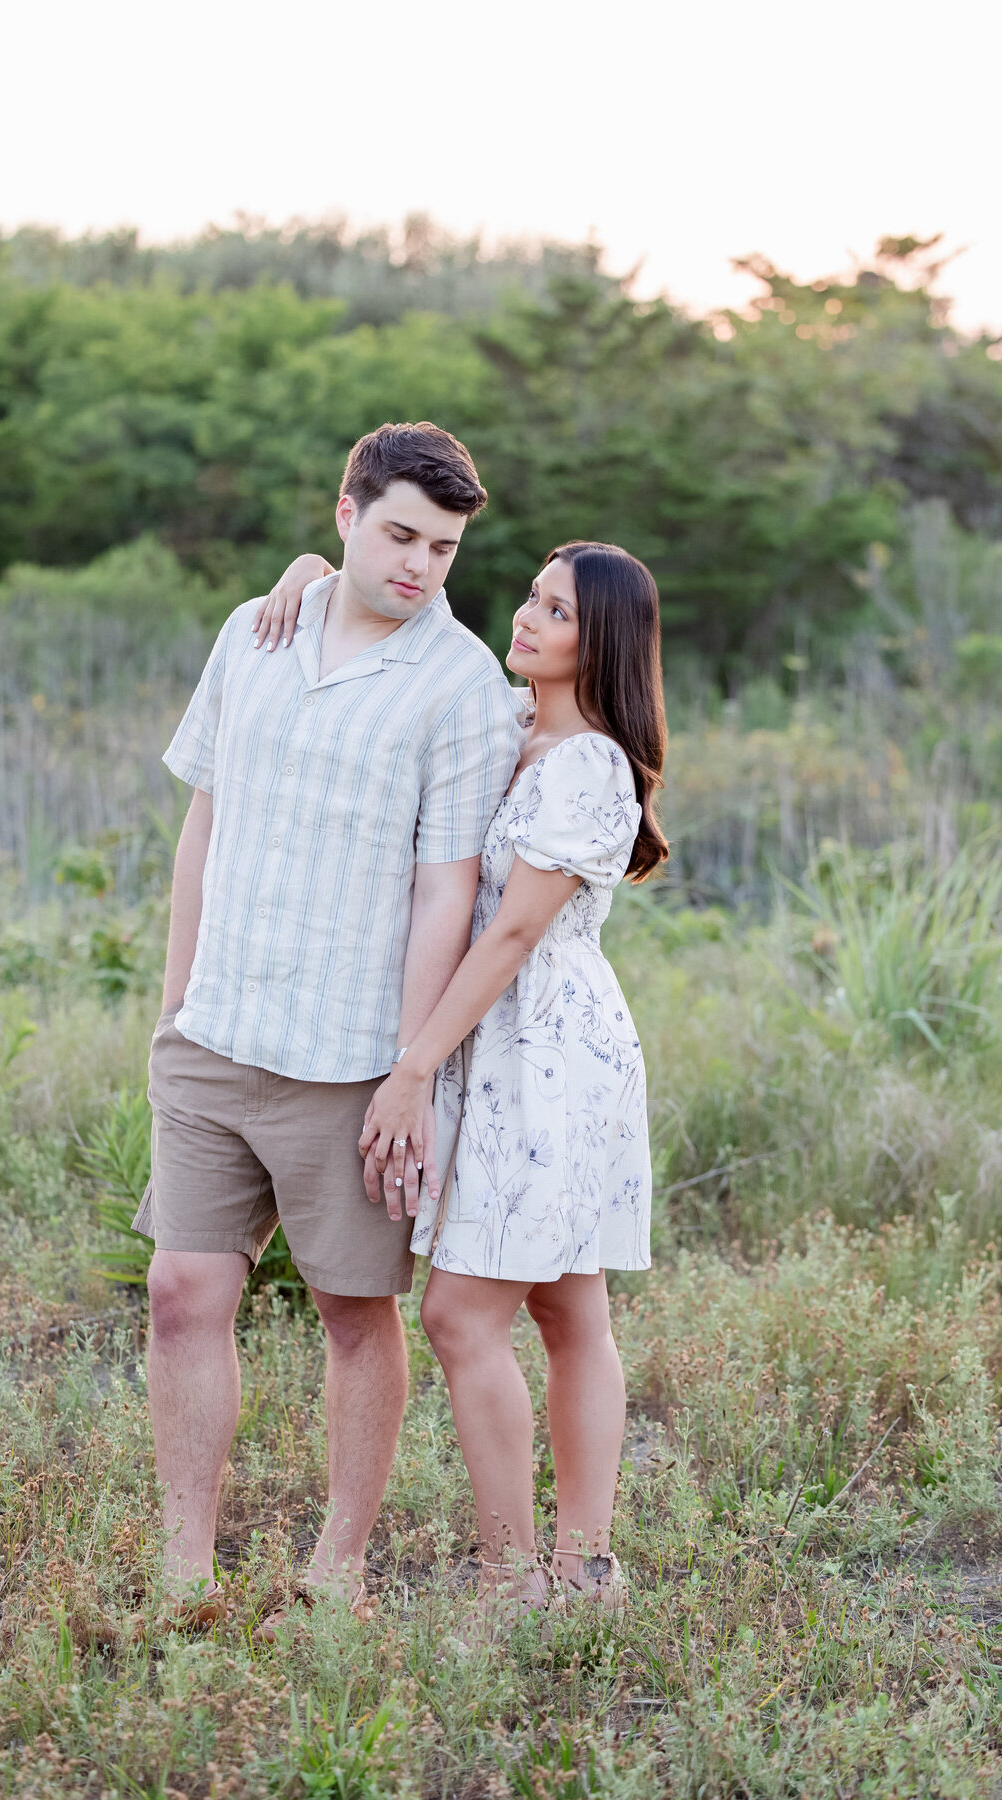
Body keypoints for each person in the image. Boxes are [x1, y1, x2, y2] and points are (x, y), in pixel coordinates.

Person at [134, 421, 524, 1627]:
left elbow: (444, 891)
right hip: (215, 1033)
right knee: (181, 1294)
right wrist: (171, 1004)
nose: (420, 565)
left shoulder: (458, 687)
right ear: (345, 513)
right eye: (402, 533)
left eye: (445, 549)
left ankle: (337, 1564)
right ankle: (185, 1568)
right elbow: (205, 824)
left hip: (350, 1060)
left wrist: (409, 1074)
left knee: (358, 1316)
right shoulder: (254, 633)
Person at [259, 540, 668, 1630]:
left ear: (604, 642)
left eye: (557, 612)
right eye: (532, 597)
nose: (526, 619)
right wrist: (307, 570)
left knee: (462, 1313)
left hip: (544, 1053)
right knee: (567, 1304)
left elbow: (514, 936)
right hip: (499, 1047)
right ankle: (584, 1573)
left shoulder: (587, 765)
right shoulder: (515, 723)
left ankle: (519, 1575)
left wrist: (413, 1067)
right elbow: (398, 626)